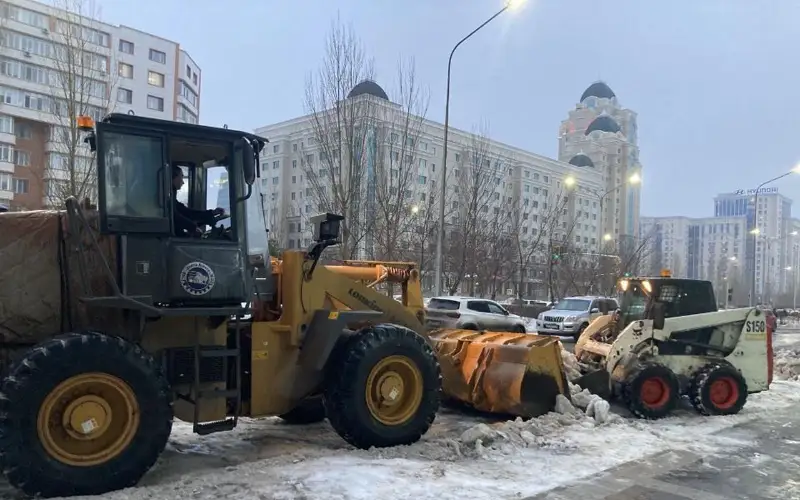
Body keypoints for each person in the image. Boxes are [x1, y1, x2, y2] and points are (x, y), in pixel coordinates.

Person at [172, 166, 225, 236]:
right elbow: (174, 216)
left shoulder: (171, 197)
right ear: (174, 177)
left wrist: (212, 213)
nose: (183, 182)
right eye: (181, 177)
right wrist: (193, 227)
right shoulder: (167, 196)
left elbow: (187, 212)